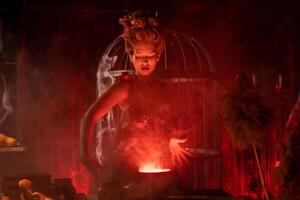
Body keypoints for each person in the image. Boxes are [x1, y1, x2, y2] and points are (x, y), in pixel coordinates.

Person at [80, 11, 190, 199]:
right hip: (123, 169)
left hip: (155, 167)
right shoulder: (125, 88)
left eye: (149, 56)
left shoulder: (163, 90)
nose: (144, 62)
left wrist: (171, 140)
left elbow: (164, 123)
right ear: (131, 57)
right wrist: (86, 157)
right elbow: (88, 118)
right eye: (139, 56)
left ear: (157, 56)